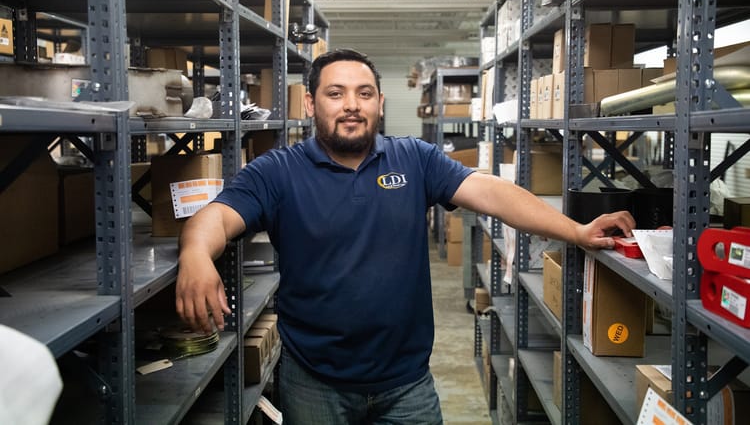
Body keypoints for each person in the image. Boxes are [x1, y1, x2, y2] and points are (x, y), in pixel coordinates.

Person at [175, 48, 635, 424]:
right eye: (335, 93)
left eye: (364, 93)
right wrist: (196, 254)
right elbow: (216, 217)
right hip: (315, 381)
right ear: (311, 104)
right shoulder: (278, 171)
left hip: (406, 383)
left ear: (379, 103)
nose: (351, 105)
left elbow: (492, 193)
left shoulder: (414, 159)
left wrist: (576, 230)